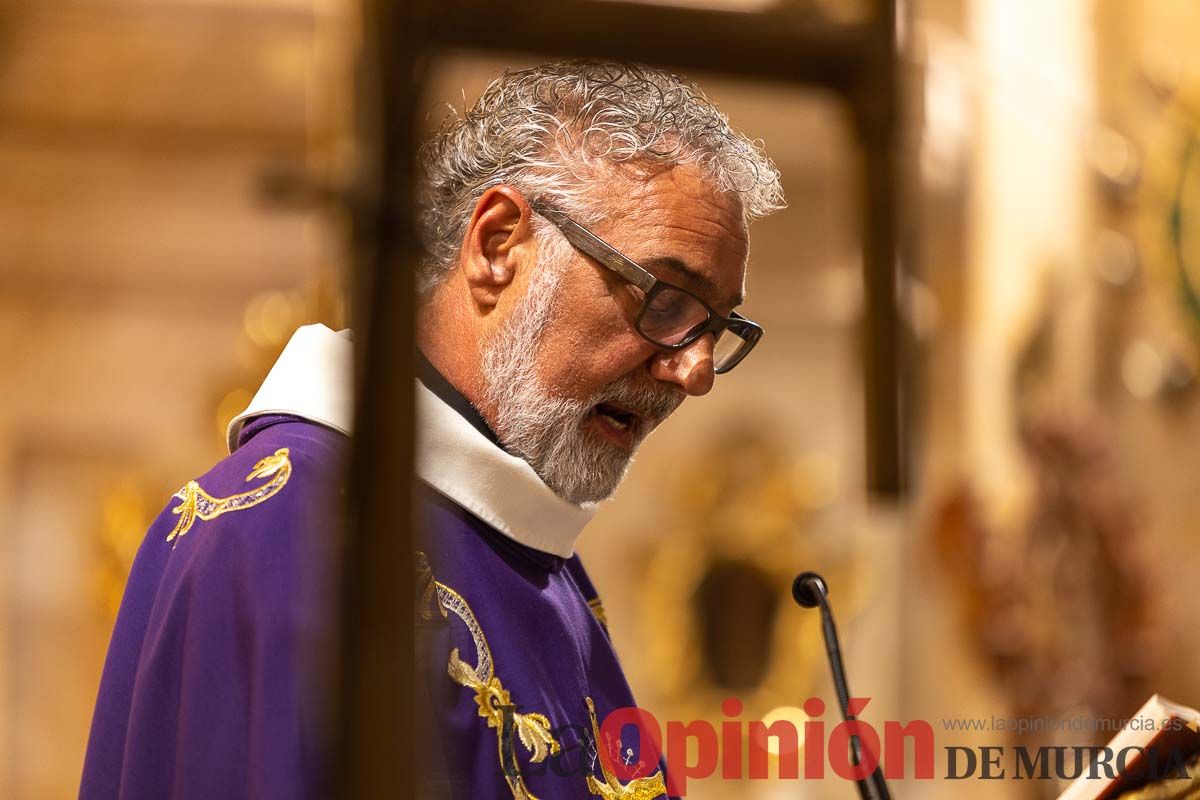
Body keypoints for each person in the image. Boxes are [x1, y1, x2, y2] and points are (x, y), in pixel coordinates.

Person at [80, 60, 784, 799]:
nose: (696, 371)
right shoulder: (295, 534)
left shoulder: (535, 563)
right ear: (498, 244)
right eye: (668, 300)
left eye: (718, 326)